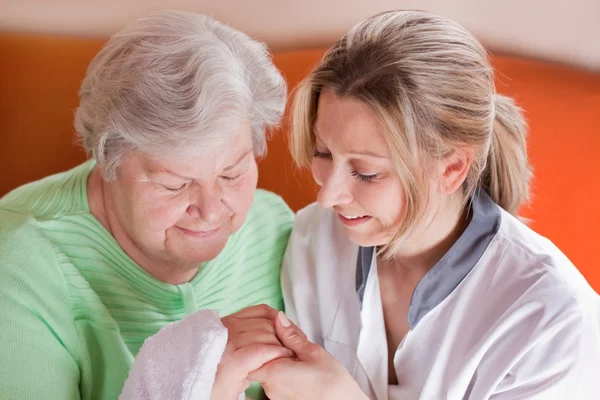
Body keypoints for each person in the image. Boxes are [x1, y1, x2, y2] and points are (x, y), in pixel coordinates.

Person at [248, 10, 600, 399]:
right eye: (323, 153)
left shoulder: (553, 323)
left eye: (366, 172)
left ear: (451, 169)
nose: (327, 196)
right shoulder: (314, 238)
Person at [0, 10, 294, 399]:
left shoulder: (276, 230)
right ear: (107, 161)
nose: (210, 210)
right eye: (175, 184)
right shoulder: (19, 259)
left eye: (232, 173)